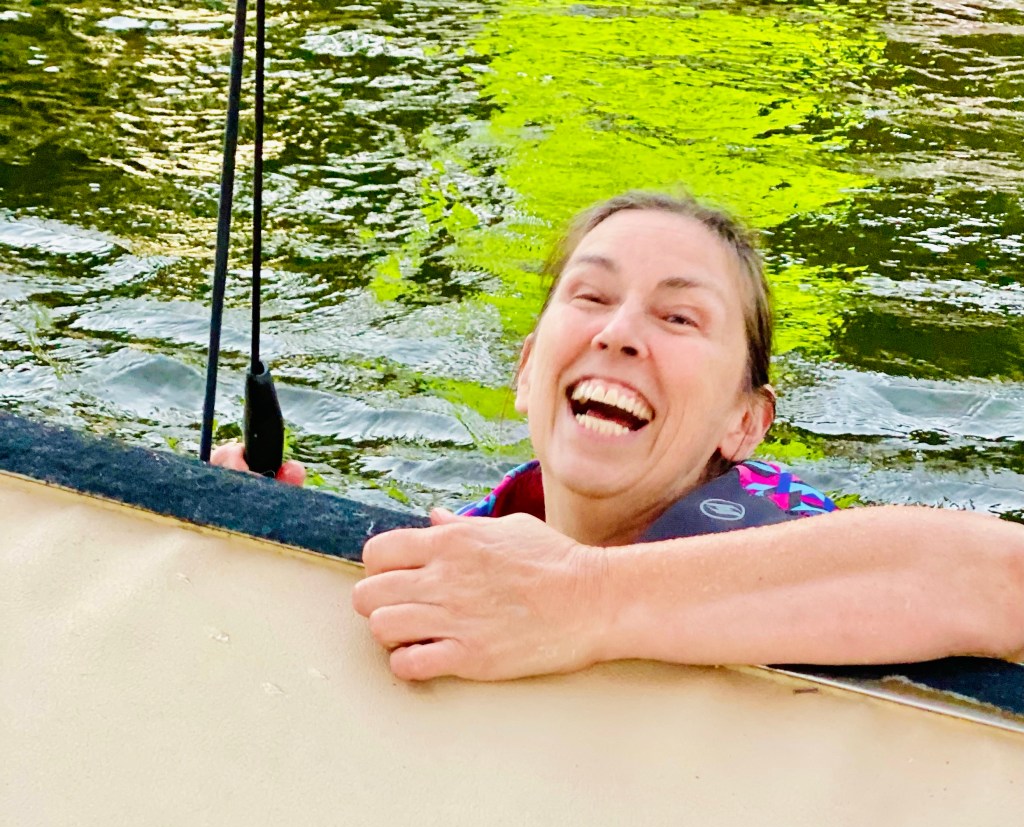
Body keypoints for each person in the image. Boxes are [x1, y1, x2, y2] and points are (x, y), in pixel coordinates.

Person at [215, 191, 1024, 682]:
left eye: (679, 316)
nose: (620, 332)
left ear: (745, 421)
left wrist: (582, 597)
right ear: (527, 371)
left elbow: (1003, 580)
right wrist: (274, 540)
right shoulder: (473, 537)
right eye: (592, 297)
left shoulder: (799, 533)